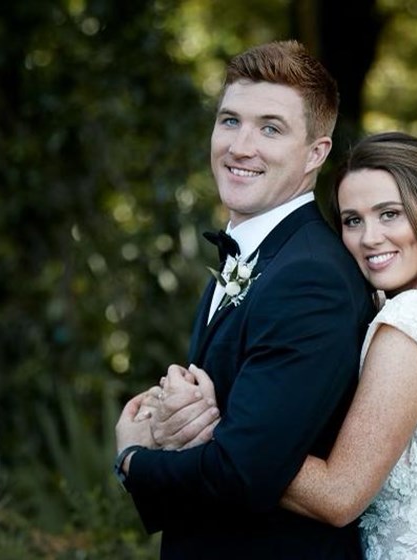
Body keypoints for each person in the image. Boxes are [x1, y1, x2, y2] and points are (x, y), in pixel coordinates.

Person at [163, 132, 417, 559]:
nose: (370, 237)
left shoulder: (415, 323)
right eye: (353, 221)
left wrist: (215, 426)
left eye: (390, 214)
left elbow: (338, 496)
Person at [114, 40, 376, 559]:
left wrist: (133, 458)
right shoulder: (258, 255)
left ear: (315, 153)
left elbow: (245, 471)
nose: (240, 146)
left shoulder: (310, 279)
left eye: (270, 129)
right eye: (230, 121)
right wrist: (170, 418)